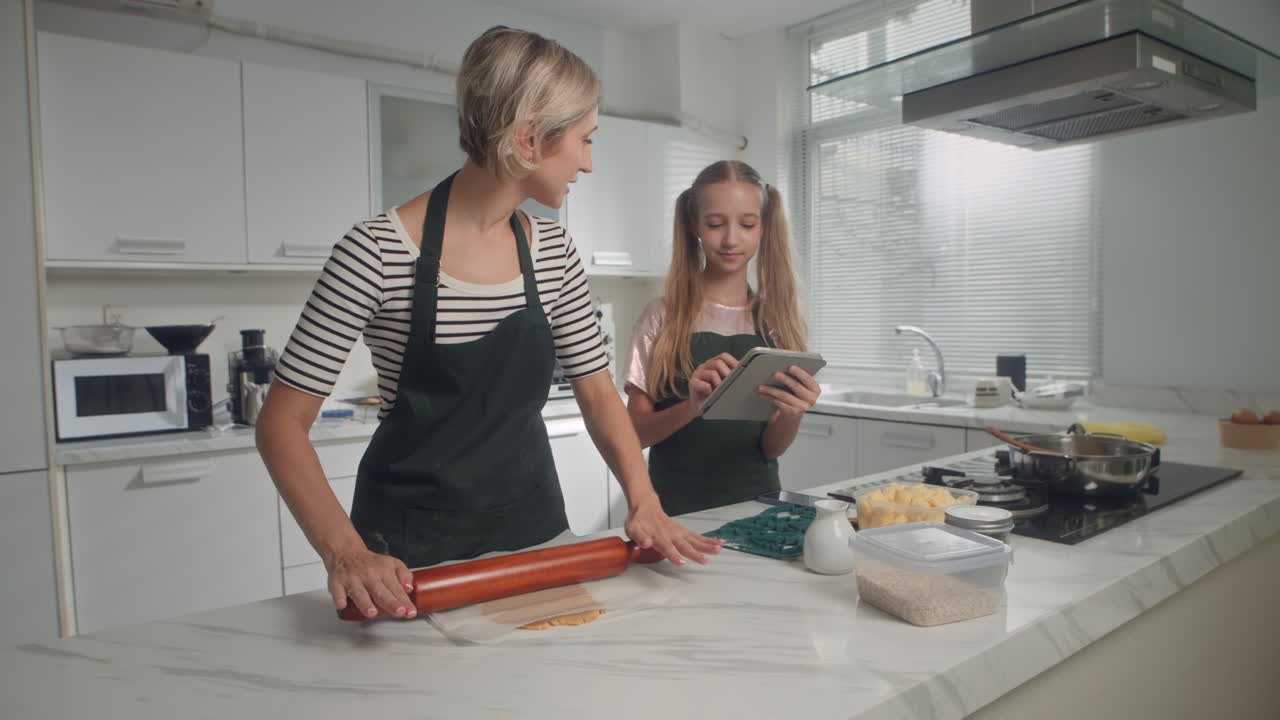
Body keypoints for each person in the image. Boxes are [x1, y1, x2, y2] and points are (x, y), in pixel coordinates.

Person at [255, 26, 720, 622]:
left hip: (533, 535)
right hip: (406, 559)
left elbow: (599, 394)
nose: (589, 161)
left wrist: (645, 501)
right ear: (529, 139)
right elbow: (280, 425)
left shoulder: (554, 252)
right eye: (584, 139)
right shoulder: (376, 251)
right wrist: (347, 553)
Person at [623, 160, 821, 517]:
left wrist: (793, 415)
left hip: (758, 510)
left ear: (763, 228)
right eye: (715, 224)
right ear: (693, 224)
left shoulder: (778, 323)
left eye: (747, 224)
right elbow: (634, 435)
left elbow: (771, 448)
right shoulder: (661, 317)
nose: (731, 239)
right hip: (674, 514)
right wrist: (692, 407)